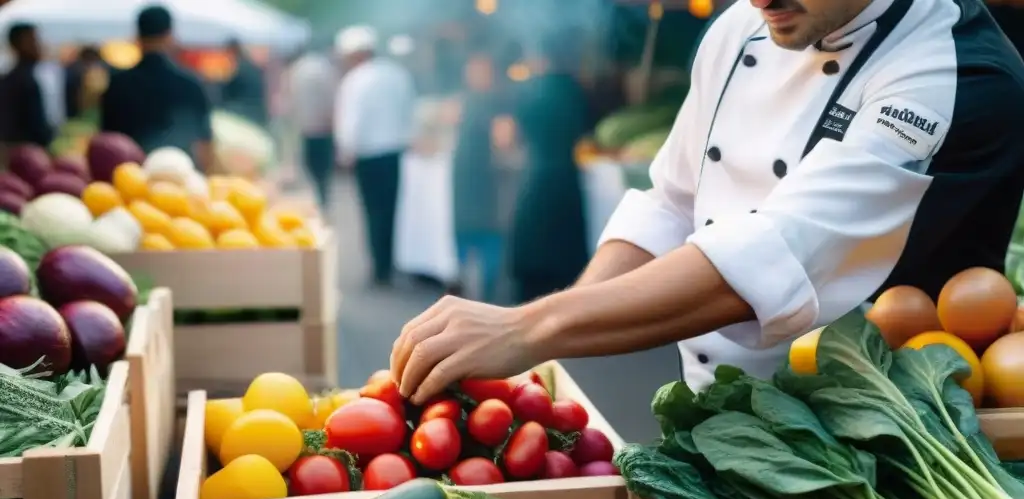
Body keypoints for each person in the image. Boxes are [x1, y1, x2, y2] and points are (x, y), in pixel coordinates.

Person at [389, 0, 1024, 405]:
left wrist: (530, 329)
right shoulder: (742, 27)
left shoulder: (959, 75)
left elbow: (779, 255)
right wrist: (544, 343)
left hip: (872, 428)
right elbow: (671, 203)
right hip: (717, 415)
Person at [505, 33, 591, 304]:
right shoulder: (575, 89)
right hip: (567, 176)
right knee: (565, 257)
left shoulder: (529, 90)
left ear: (540, 58)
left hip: (536, 177)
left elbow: (511, 136)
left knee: (532, 262)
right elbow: (586, 129)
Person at [334, 26, 416, 287]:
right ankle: (390, 262)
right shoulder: (397, 74)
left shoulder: (355, 80)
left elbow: (350, 122)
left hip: (368, 156)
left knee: (373, 212)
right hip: (396, 152)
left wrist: (346, 152)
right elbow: (410, 110)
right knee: (393, 210)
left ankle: (380, 268)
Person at [100, 5, 214, 172]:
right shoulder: (191, 83)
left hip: (131, 182)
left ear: (137, 37)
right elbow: (205, 145)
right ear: (170, 35)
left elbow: (107, 142)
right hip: (181, 178)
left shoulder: (118, 84)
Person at [449, 49, 508, 304]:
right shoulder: (471, 101)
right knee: (471, 230)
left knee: (483, 232)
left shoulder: (492, 103)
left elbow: (503, 139)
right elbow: (504, 139)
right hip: (469, 174)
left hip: (484, 174)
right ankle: (470, 290)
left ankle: (482, 292)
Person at [286, 43, 337, 209]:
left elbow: (291, 100)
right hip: (324, 128)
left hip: (306, 129)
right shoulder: (325, 69)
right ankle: (322, 199)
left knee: (312, 167)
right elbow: (333, 99)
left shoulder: (297, 70)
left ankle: (317, 198)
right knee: (323, 171)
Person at [0, 23, 53, 149]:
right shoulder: (21, 81)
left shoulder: (22, 78)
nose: (39, 46)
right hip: (24, 154)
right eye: (34, 40)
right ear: (17, 45)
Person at [222, 39, 268, 127]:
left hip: (244, 115)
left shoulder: (238, 69)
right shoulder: (252, 66)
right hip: (257, 113)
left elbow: (226, 92)